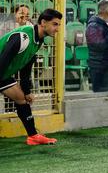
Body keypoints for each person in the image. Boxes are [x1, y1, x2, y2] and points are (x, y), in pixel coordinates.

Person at [0, 9, 63, 145]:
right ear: (43, 22)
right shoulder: (23, 37)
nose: (57, 29)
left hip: (2, 74)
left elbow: (26, 65)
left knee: (21, 98)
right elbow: (2, 60)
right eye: (55, 24)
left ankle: (33, 136)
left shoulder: (38, 39)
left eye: (58, 25)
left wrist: (27, 90)